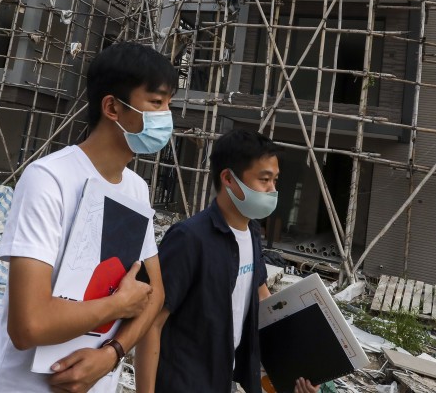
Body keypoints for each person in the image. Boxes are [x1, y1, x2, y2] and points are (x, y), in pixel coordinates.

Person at [0, 41, 177, 393]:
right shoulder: (49, 180)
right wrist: (118, 304)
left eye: (169, 105)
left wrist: (111, 355)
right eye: (157, 103)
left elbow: (155, 293)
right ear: (113, 107)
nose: (167, 117)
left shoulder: (135, 190)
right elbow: (29, 325)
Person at [135, 128, 318, 393]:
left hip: (223, 379)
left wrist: (301, 368)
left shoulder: (252, 233)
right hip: (184, 382)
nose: (273, 190)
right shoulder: (189, 239)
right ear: (229, 179)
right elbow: (152, 322)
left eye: (275, 180)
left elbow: (262, 300)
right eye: (264, 180)